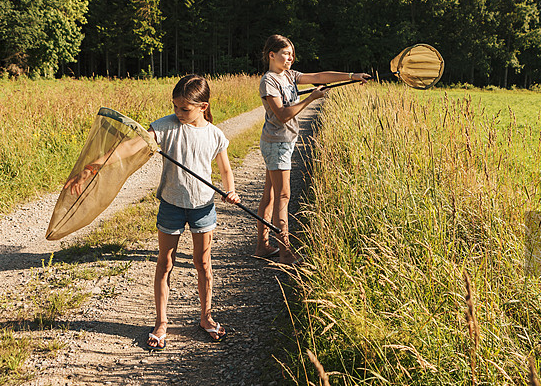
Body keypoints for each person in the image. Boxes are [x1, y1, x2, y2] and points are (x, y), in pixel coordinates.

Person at [64, 74, 241, 350]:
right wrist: (92, 167)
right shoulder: (165, 127)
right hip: (170, 205)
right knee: (165, 263)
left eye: (185, 108)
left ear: (203, 106)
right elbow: (128, 147)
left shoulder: (215, 134)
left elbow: (225, 169)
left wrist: (230, 190)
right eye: (175, 107)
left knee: (203, 264)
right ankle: (161, 322)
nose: (178, 113)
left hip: (203, 208)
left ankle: (206, 318)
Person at [255, 34, 370, 265]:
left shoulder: (289, 75)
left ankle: (263, 246)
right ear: (272, 55)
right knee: (283, 196)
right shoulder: (269, 81)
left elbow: (319, 76)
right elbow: (284, 114)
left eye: (292, 54)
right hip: (276, 142)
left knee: (270, 194)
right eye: (286, 53)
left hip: (282, 141)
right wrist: (311, 99)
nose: (290, 58)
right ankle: (285, 252)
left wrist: (352, 76)